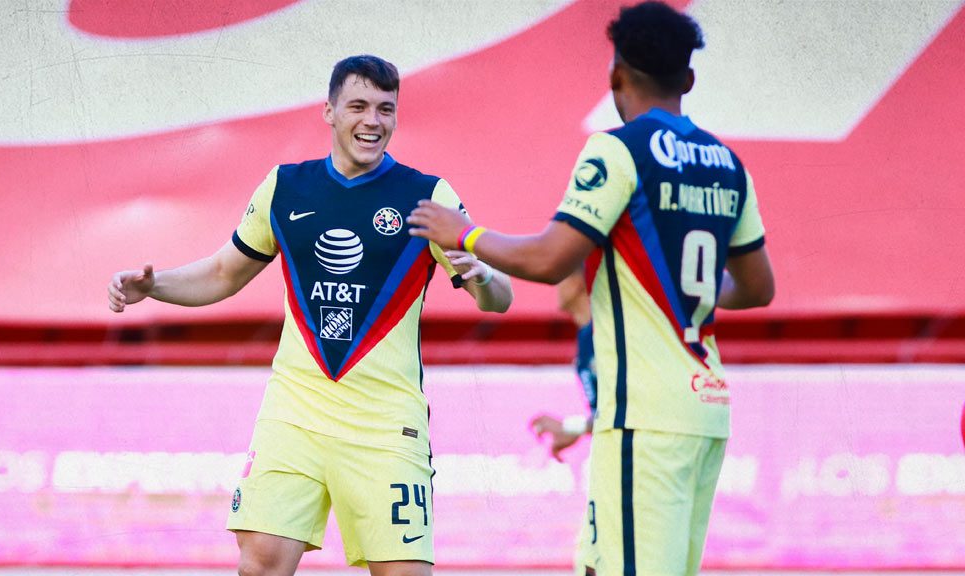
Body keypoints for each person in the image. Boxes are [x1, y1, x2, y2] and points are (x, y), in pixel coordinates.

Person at [107, 54, 513, 576]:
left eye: (386, 109)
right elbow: (224, 273)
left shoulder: (428, 196)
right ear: (329, 111)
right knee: (261, 561)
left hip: (385, 422)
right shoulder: (285, 187)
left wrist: (480, 275)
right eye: (359, 106)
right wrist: (153, 286)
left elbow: (499, 298)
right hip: (295, 410)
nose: (373, 121)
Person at [407, 2, 775, 574]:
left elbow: (552, 259)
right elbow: (757, 288)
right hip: (706, 411)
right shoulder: (728, 164)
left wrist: (468, 233)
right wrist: (680, 286)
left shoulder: (618, 148)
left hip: (643, 416)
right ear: (689, 79)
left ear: (616, 76)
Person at [530, 269, 599, 576]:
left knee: (597, 561)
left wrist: (570, 427)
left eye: (564, 272)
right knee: (591, 560)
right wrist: (576, 429)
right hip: (612, 458)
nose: (555, 282)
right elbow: (608, 410)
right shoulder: (588, 335)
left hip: (632, 462)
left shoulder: (602, 334)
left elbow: (629, 408)